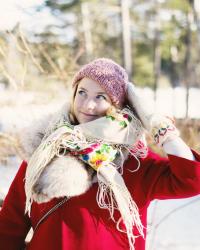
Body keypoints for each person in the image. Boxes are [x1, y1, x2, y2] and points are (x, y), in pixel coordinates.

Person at [0, 58, 200, 250]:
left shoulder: (135, 164)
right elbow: (10, 225)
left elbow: (192, 180)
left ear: (118, 105)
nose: (88, 105)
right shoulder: (44, 151)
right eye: (82, 92)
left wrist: (156, 122)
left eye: (101, 97)